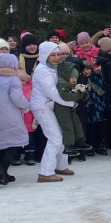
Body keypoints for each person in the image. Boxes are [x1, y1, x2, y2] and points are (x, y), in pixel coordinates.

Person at [30, 43, 76, 182]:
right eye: (52, 55)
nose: (56, 58)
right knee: (54, 138)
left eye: (58, 55)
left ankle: (61, 166)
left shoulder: (54, 68)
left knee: (60, 135)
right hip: (42, 107)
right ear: (45, 56)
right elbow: (53, 92)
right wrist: (71, 102)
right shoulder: (42, 70)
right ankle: (45, 172)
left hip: (51, 106)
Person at [0, 53, 31, 183]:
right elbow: (17, 97)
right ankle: (1, 167)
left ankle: (2, 176)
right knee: (14, 143)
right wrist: (26, 105)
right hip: (10, 115)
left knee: (2, 144)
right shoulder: (13, 79)